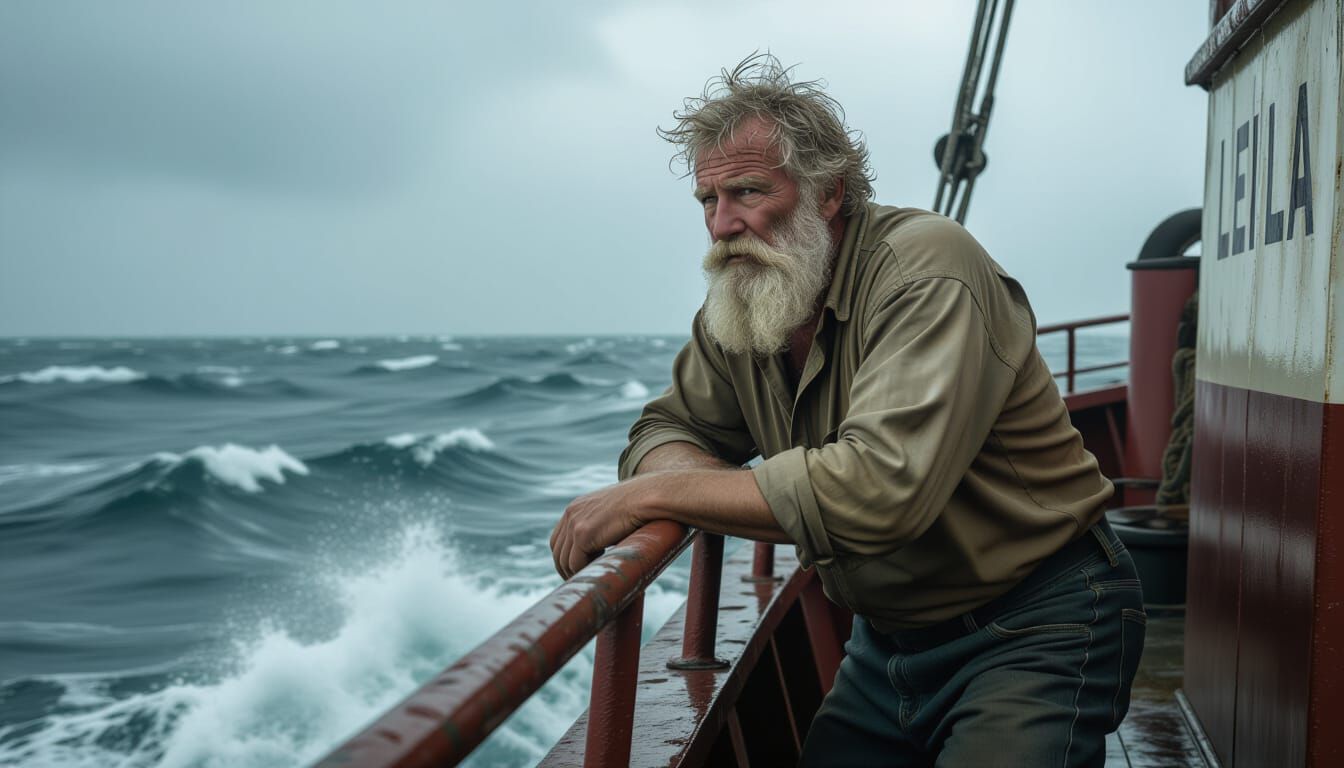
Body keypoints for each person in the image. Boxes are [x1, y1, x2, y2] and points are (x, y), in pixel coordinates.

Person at [549, 53, 1145, 767]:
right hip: (885, 639)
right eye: (708, 201)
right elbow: (667, 426)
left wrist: (655, 492)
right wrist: (669, 470)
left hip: (1036, 621)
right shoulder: (749, 301)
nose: (721, 226)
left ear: (828, 193)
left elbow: (877, 490)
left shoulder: (925, 269)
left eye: (746, 192)